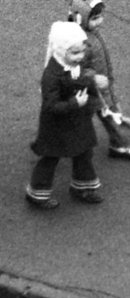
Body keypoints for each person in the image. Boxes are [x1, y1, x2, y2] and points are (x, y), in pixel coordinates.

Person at [28, 20, 107, 210]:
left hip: (77, 120)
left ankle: (83, 187)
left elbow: (84, 83)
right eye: (75, 53)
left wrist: (98, 98)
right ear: (62, 50)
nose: (80, 57)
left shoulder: (73, 66)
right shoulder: (52, 75)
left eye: (82, 52)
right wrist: (75, 103)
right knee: (50, 158)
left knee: (83, 153)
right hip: (57, 126)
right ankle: (37, 192)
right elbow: (51, 105)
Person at [68, 0, 129, 160]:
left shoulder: (91, 34)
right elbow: (75, 68)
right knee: (109, 115)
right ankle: (119, 145)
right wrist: (93, 77)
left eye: (100, 16)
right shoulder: (80, 42)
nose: (100, 21)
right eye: (95, 18)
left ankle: (67, 139)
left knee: (100, 115)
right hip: (93, 90)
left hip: (101, 87)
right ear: (80, 17)